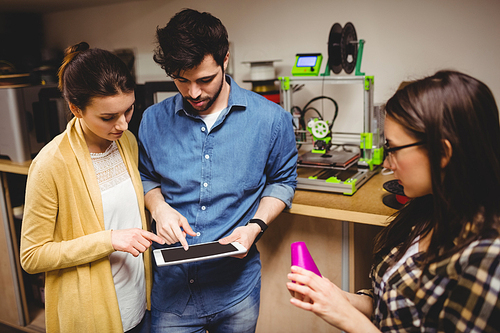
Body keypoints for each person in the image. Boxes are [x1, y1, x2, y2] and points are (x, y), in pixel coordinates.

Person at [286, 70, 500, 332]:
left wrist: (344, 316)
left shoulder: (488, 259)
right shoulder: (426, 212)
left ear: (442, 152)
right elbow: (389, 302)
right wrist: (334, 296)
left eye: (393, 148)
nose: (387, 163)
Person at [139, 8, 298, 333]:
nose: (193, 92)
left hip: (236, 291)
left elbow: (283, 181)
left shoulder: (270, 119)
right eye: (182, 81)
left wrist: (255, 226)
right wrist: (159, 207)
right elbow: (146, 176)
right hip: (173, 293)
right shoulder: (152, 120)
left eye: (205, 80)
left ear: (226, 59)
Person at [20, 42, 165, 333]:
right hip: (91, 315)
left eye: (128, 110)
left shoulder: (126, 142)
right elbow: (32, 256)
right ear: (76, 109)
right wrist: (109, 240)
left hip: (138, 303)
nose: (123, 125)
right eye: (108, 117)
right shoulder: (50, 164)